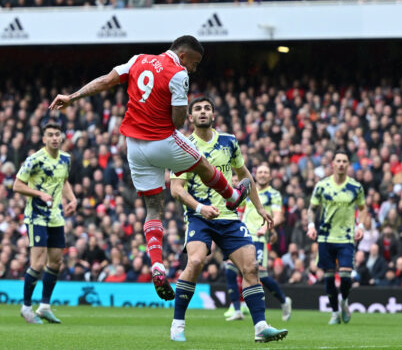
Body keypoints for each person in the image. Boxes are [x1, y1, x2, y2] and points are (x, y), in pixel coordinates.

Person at [49, 36, 250, 301]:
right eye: (195, 62)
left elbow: (106, 81)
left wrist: (73, 97)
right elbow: (179, 120)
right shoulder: (178, 73)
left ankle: (156, 264)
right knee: (201, 162)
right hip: (161, 140)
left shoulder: (137, 60)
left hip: (133, 146)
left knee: (154, 207)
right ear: (185, 55)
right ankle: (232, 197)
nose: (194, 68)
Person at [169, 96, 287, 343]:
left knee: (251, 267)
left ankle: (261, 328)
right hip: (198, 216)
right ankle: (178, 323)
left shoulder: (229, 142)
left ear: (214, 114)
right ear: (190, 117)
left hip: (229, 217)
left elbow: (244, 175)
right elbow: (176, 189)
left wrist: (260, 207)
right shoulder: (182, 146)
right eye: (198, 109)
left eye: (207, 108)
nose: (203, 112)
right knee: (197, 260)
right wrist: (200, 208)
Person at [13, 122, 77, 324]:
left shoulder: (66, 158)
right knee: (38, 263)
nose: (54, 138)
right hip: (36, 216)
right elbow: (17, 185)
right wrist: (39, 193)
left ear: (62, 137)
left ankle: (45, 306)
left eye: (57, 134)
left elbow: (63, 181)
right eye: (50, 135)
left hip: (56, 217)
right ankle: (26, 307)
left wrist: (72, 199)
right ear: (44, 139)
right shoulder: (35, 160)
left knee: (56, 262)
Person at [306, 150, 369, 325]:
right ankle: (334, 312)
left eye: (344, 161)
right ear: (333, 164)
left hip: (346, 238)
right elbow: (311, 209)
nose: (341, 164)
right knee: (328, 278)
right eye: (338, 161)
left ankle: (345, 301)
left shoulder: (355, 187)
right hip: (325, 238)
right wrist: (311, 226)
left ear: (348, 165)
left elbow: (363, 209)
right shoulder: (322, 186)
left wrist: (361, 226)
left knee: (346, 276)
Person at [236, 163, 292, 321]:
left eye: (265, 172)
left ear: (270, 176)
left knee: (259, 272)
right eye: (260, 171)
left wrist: (267, 229)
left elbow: (279, 215)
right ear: (255, 174)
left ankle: (282, 301)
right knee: (242, 271)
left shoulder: (273, 194)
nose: (262, 174)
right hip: (243, 236)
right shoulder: (246, 191)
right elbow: (240, 211)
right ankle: (241, 305)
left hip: (260, 236)